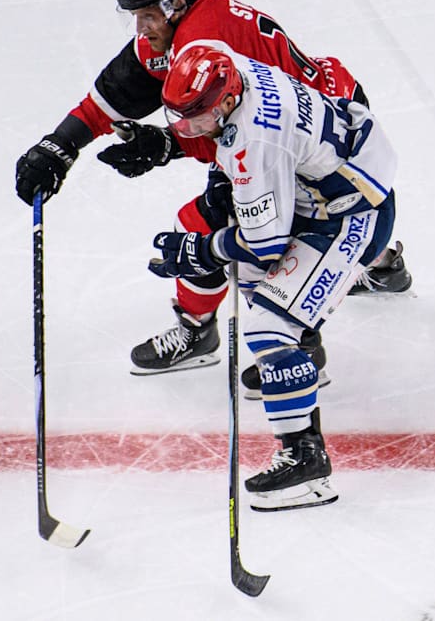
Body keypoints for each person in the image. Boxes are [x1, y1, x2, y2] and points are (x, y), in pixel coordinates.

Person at [14, 0, 411, 386]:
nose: (140, 29)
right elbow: (112, 96)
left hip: (314, 133)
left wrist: (167, 146)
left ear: (176, 5)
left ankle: (282, 342)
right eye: (135, 16)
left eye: (147, 15)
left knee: (217, 228)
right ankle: (376, 264)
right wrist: (59, 146)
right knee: (287, 222)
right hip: (310, 119)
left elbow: (240, 136)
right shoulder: (180, 38)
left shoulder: (204, 47)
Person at [150, 44, 398, 510]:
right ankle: (305, 362)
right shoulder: (228, 64)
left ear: (224, 101)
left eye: (195, 117)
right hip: (323, 183)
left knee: (268, 324)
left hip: (350, 215)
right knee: (255, 287)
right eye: (178, 116)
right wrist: (222, 187)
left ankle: (306, 460)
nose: (187, 129)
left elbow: (263, 243)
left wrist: (201, 248)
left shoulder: (258, 140)